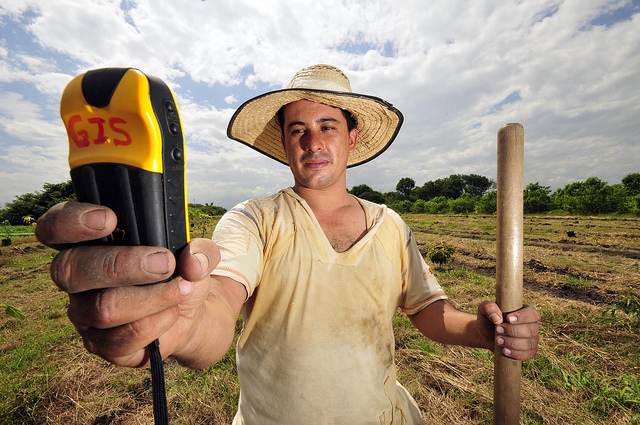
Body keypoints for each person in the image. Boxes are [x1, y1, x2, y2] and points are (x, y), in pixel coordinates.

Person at [36, 64, 540, 424]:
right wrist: (175, 323)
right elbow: (216, 308)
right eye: (296, 129)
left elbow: (430, 313)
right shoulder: (254, 220)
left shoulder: (392, 226)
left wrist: (484, 331)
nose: (312, 141)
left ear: (353, 138)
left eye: (327, 126)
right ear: (284, 144)